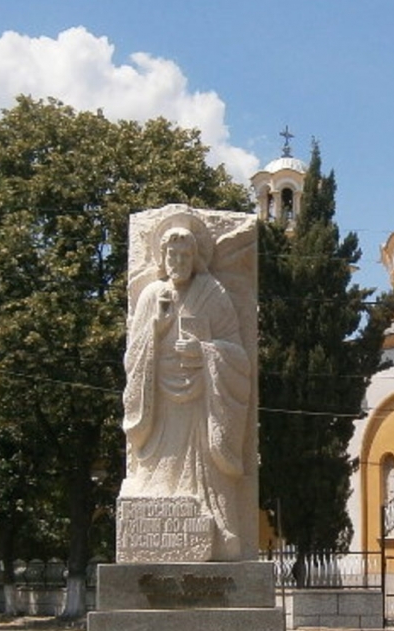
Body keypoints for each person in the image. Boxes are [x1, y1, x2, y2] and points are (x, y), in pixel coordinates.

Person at [120, 224, 251, 557]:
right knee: (156, 472)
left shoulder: (213, 292)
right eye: (172, 255)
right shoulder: (152, 295)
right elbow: (132, 357)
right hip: (159, 404)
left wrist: (204, 351)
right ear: (162, 257)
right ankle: (156, 526)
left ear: (195, 258)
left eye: (185, 255)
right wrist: (155, 329)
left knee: (208, 473)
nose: (178, 261)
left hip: (203, 406)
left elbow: (239, 355)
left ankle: (218, 532)